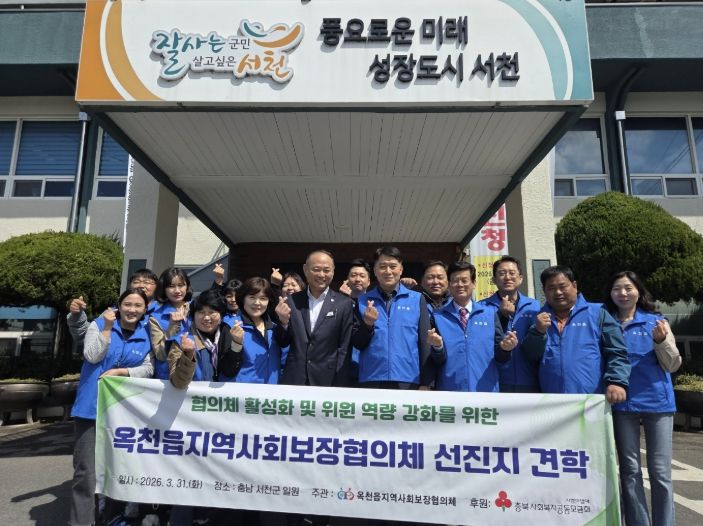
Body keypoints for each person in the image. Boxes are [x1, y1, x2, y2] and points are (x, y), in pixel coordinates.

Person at [69, 289, 154, 526]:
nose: (132, 310)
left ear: (145, 309)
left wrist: (122, 372)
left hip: (125, 413)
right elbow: (92, 355)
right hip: (91, 409)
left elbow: (149, 368)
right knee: (86, 472)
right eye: (127, 304)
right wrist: (107, 328)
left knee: (119, 469)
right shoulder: (98, 324)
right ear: (119, 305)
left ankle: (111, 519)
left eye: (138, 305)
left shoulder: (147, 332)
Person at [605, 271, 681, 526]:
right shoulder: (605, 322)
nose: (623, 293)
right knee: (629, 470)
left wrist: (661, 341)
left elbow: (673, 364)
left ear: (638, 291)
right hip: (622, 405)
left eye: (628, 288)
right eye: (617, 289)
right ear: (610, 293)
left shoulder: (656, 322)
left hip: (657, 403)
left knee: (660, 472)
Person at [522, 265, 630, 402]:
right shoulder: (537, 318)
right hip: (550, 401)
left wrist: (616, 382)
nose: (558, 292)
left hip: (592, 400)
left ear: (574, 286)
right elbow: (531, 356)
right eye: (551, 288)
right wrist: (538, 332)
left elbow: (617, 352)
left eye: (562, 286)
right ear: (544, 291)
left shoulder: (598, 313)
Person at [353, 246, 441, 389]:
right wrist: (367, 325)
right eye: (382, 266)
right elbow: (357, 343)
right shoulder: (363, 301)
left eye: (393, 266)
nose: (388, 271)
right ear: (375, 271)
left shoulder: (417, 299)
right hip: (372, 378)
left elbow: (425, 343)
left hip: (408, 378)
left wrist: (426, 383)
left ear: (401, 269)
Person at [432, 261, 517, 392]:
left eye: (464, 280)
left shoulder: (490, 314)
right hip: (450, 391)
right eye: (455, 281)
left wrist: (505, 349)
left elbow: (501, 358)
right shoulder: (438, 316)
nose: (460, 285)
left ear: (474, 283)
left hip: (485, 390)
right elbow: (436, 360)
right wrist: (437, 347)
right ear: (449, 284)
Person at [274, 249, 354, 387]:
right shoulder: (291, 301)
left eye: (326, 270)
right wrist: (283, 322)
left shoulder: (344, 303)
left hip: (328, 379)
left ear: (333, 271)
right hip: (295, 378)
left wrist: (340, 382)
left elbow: (344, 347)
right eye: (316, 269)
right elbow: (282, 342)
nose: (321, 274)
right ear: (305, 270)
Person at [480, 256, 541, 392]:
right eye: (502, 273)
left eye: (512, 273)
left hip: (529, 380)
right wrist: (501, 316)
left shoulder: (535, 306)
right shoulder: (482, 308)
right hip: (494, 382)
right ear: (494, 280)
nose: (507, 277)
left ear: (521, 278)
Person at [66, 268, 158, 344]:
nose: (141, 285)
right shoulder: (112, 313)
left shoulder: (161, 314)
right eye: (136, 282)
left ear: (157, 287)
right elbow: (85, 336)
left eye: (147, 282)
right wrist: (77, 316)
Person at [224, 277, 284, 384]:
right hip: (242, 392)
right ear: (243, 299)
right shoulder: (231, 326)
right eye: (252, 297)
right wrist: (236, 344)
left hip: (271, 392)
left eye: (263, 298)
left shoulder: (275, 328)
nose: (257, 303)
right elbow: (227, 370)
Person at [149, 267, 193, 380]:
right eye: (171, 286)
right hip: (168, 378)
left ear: (187, 286)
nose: (177, 291)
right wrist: (172, 327)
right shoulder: (156, 317)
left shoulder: (197, 309)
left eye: (181, 285)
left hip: (197, 376)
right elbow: (160, 354)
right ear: (163, 288)